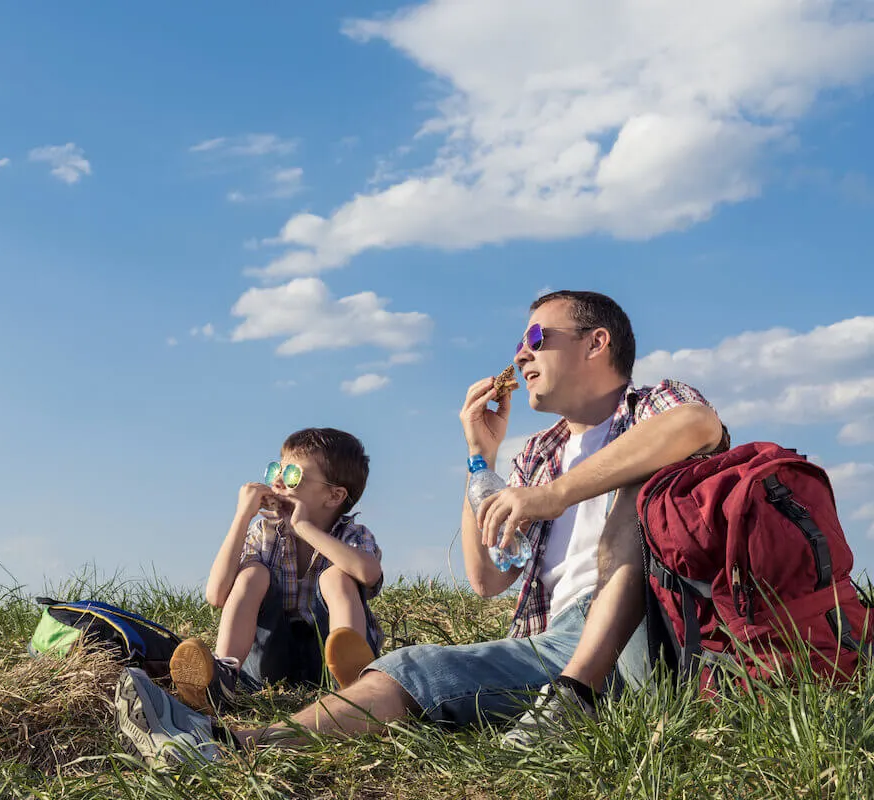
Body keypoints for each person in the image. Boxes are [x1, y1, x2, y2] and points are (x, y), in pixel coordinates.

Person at [113, 291, 728, 765]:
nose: (521, 354)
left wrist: (552, 495)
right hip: (549, 642)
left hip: (647, 635)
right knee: (411, 667)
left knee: (631, 491)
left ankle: (575, 699)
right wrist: (479, 457)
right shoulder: (536, 453)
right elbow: (487, 579)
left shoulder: (648, 406)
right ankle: (231, 744)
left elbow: (696, 426)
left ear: (596, 344)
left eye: (538, 337)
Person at [164, 427, 385, 717]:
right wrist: (243, 515)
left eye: (292, 475)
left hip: (328, 661)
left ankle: (353, 685)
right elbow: (216, 595)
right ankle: (222, 677)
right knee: (252, 574)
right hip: (270, 662)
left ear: (334, 496)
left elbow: (368, 573)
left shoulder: (352, 535)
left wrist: (302, 527)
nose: (278, 481)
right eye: (274, 471)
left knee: (337, 576)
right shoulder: (264, 533)